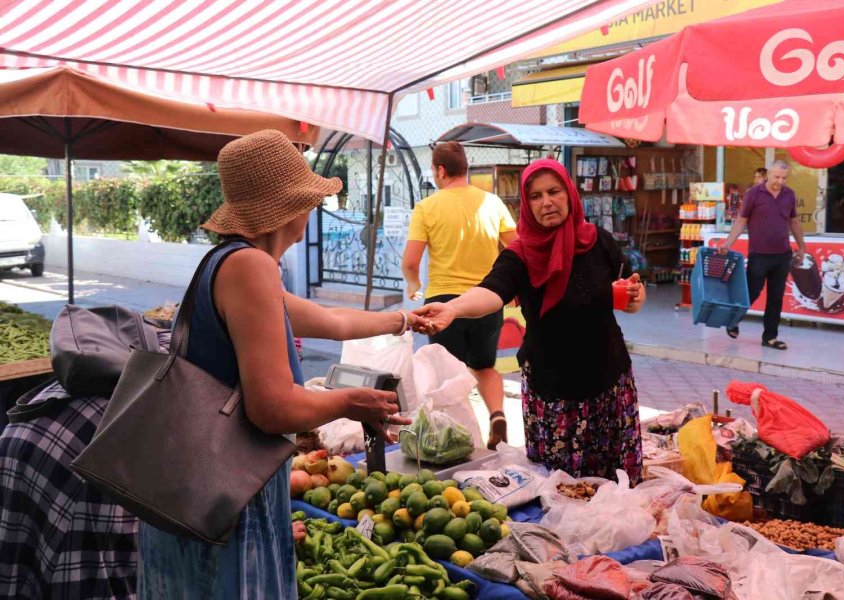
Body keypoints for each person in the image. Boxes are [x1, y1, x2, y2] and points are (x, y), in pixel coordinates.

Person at [137, 130, 423, 599]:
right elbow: (271, 408)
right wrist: (350, 402)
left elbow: (332, 321)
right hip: (227, 493)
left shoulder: (231, 262)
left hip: (205, 490)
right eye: (309, 200)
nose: (313, 209)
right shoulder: (249, 268)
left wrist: (406, 319)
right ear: (291, 208)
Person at [414, 158, 646, 482]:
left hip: (609, 383)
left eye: (554, 191)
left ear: (569, 193)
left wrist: (636, 297)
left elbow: (630, 291)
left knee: (617, 484)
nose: (546, 202)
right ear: (526, 203)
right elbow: (491, 292)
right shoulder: (521, 254)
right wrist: (453, 308)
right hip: (553, 394)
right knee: (563, 489)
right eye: (536, 196)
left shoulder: (598, 241)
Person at [401, 141, 517, 449]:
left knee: (449, 375)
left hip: (443, 304)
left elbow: (410, 261)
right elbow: (517, 246)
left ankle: (461, 437)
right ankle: (497, 415)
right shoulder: (492, 202)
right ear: (465, 168)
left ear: (441, 170)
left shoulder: (427, 207)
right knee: (485, 366)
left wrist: (413, 284)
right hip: (486, 298)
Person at [719, 159, 806, 350]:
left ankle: (770, 337)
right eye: (777, 177)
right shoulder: (754, 194)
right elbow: (742, 220)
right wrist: (727, 243)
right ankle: (733, 320)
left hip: (782, 254)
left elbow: (794, 222)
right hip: (759, 253)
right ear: (768, 174)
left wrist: (801, 247)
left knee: (776, 297)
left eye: (784, 178)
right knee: (752, 291)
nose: (780, 181)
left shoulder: (789, 195)